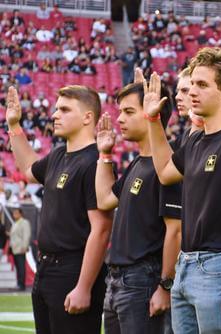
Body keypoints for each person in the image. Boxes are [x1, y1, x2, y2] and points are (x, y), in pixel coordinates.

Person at [143, 47, 221, 333]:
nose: (192, 92)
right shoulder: (197, 140)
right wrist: (153, 121)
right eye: (192, 84)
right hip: (185, 265)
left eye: (202, 85)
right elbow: (164, 173)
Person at [6, 85, 113, 334]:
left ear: (88, 117)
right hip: (46, 269)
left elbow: (102, 229)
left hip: (73, 270)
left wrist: (84, 287)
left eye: (64, 109)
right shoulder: (58, 155)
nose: (55, 115)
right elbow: (28, 169)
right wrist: (14, 125)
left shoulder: (94, 163)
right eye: (56, 109)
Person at [95, 82, 181, 334]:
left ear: (153, 111)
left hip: (143, 279)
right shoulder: (138, 163)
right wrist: (105, 154)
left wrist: (165, 287)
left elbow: (175, 230)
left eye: (129, 112)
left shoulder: (167, 166)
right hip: (117, 280)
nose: (120, 118)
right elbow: (104, 200)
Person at [8, 208, 31, 291]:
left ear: (21, 214)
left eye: (16, 213)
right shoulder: (15, 223)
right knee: (18, 267)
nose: (14, 215)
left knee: (21, 267)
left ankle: (22, 285)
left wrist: (24, 247)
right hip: (14, 249)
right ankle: (19, 283)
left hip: (20, 248)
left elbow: (26, 235)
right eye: (14, 213)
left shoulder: (24, 222)